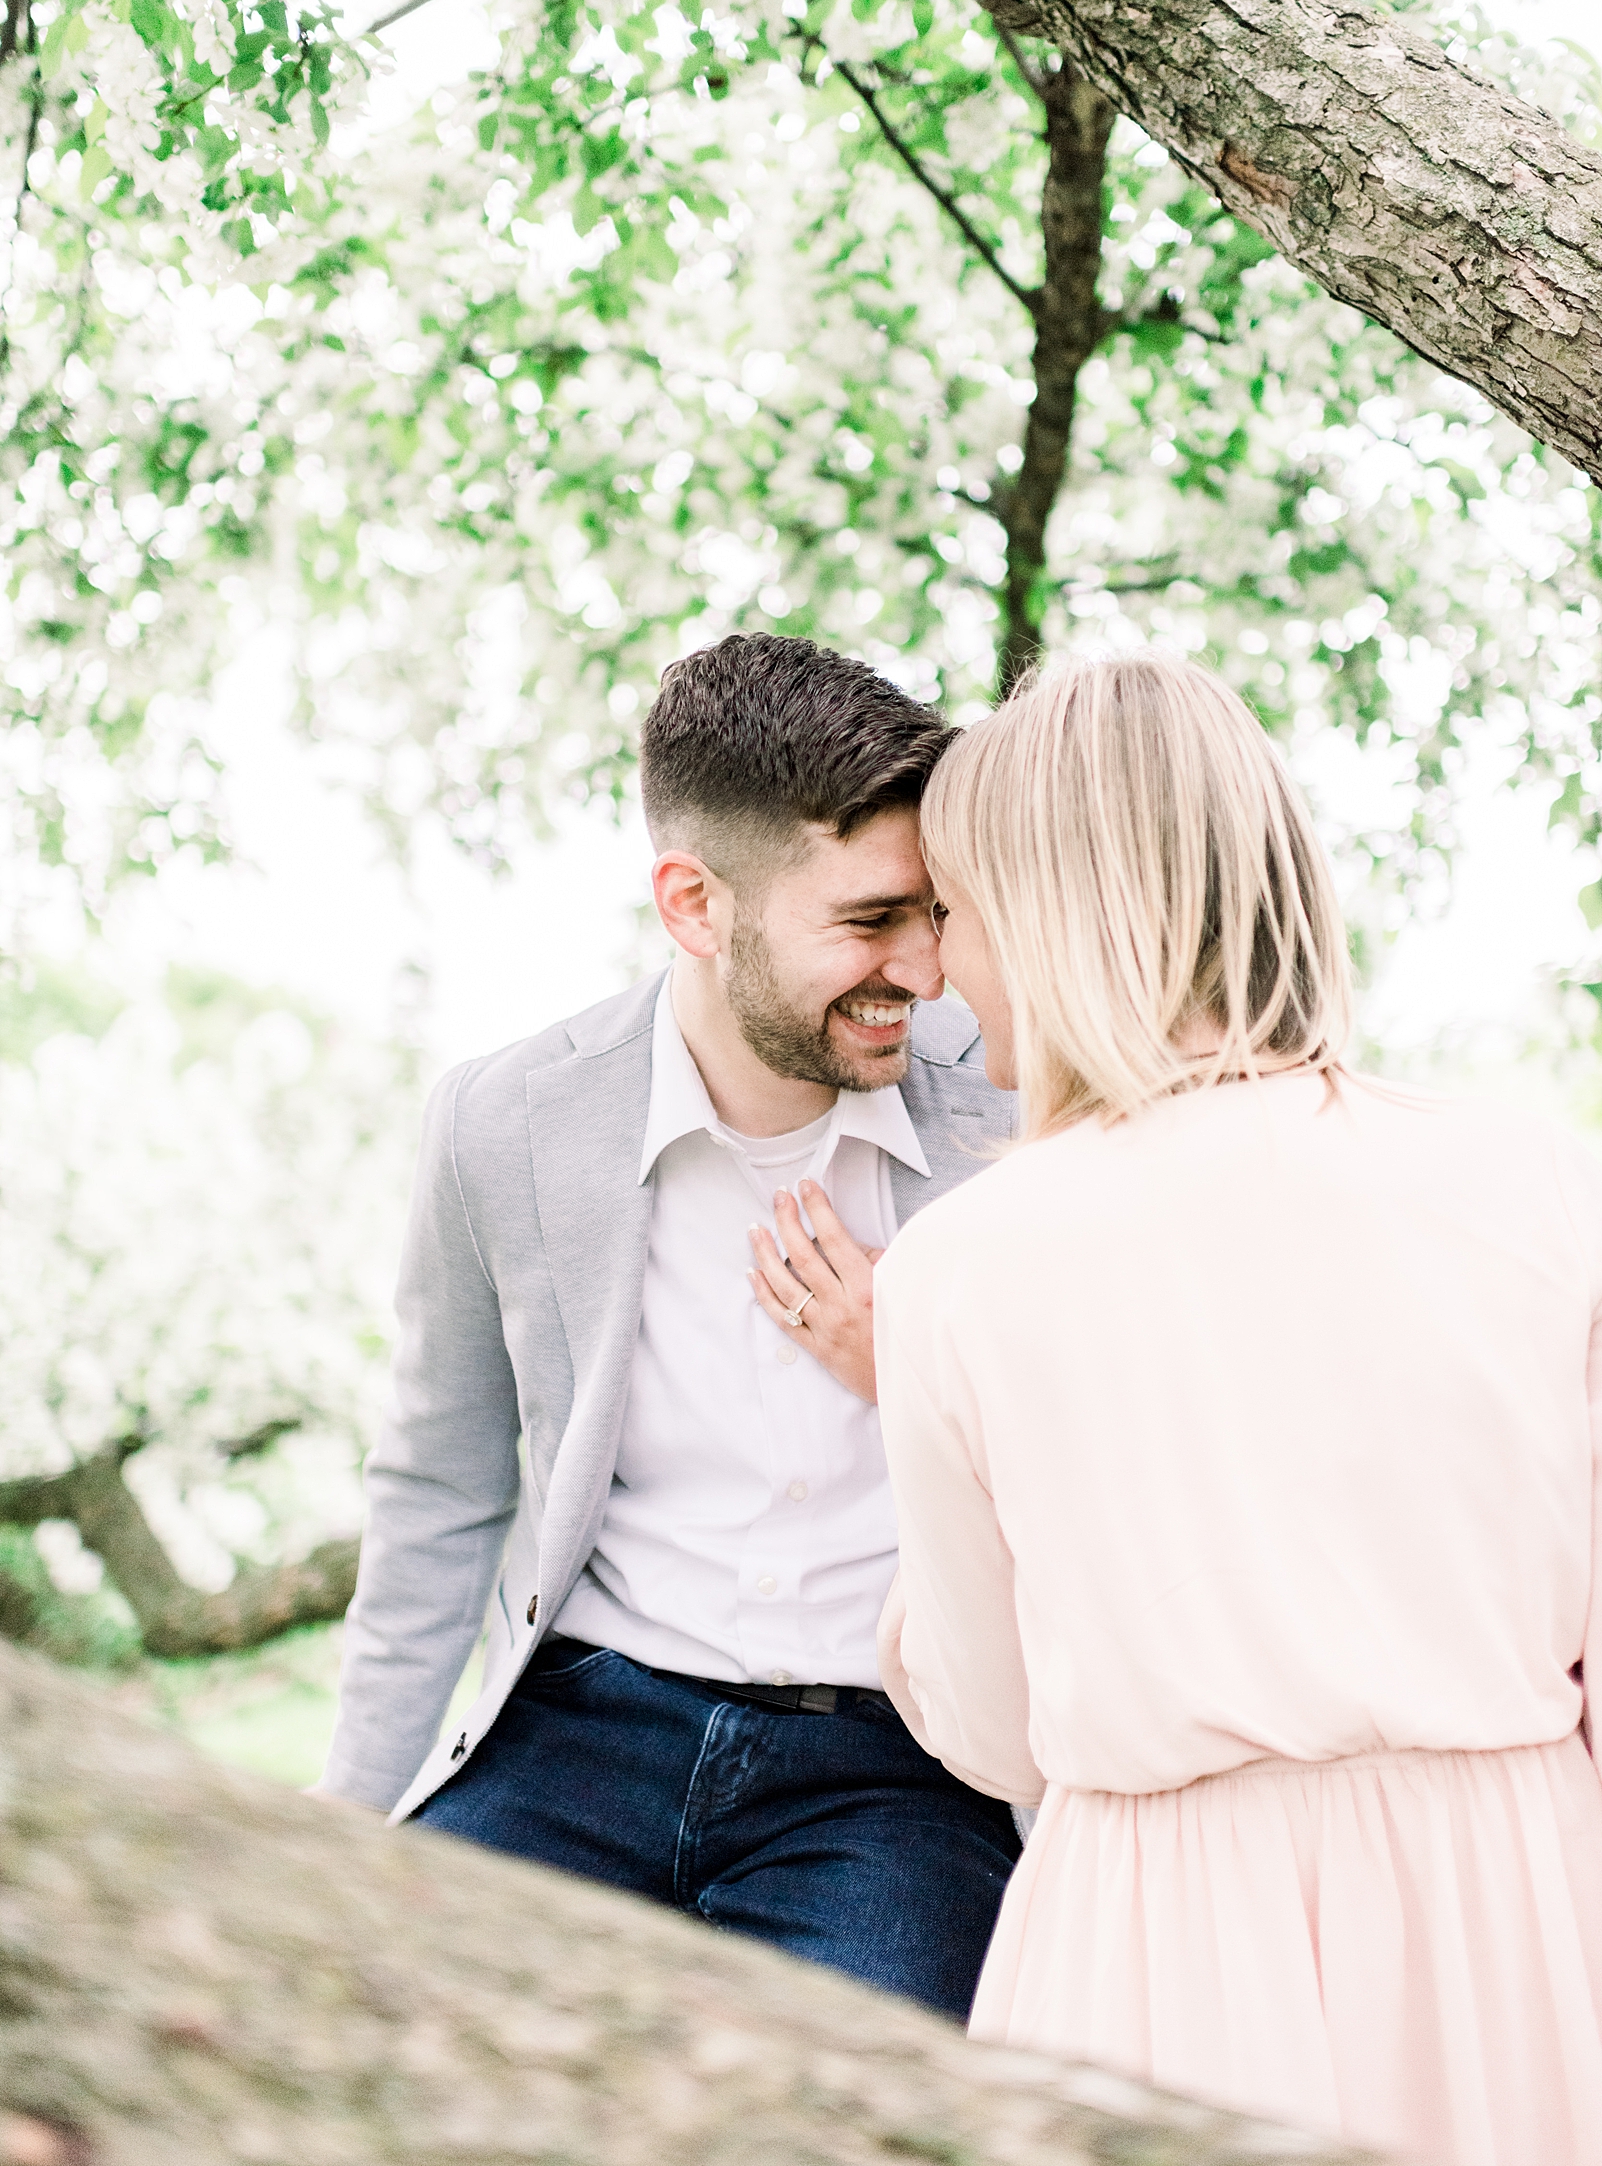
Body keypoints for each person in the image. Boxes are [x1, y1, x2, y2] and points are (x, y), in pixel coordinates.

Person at [872, 653, 1602, 2164]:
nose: (937, 968)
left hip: (1162, 1947)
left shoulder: (961, 1264)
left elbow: (997, 1730)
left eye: (952, 908)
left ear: (1059, 909)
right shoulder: (1545, 1183)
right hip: (1520, 1923)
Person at [317, 631, 1020, 2015]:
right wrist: (340, 1822)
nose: (929, 969)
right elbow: (439, 1494)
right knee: (381, 2045)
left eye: (935, 913)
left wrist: (920, 1368)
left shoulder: (1010, 1106)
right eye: (873, 921)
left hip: (893, 1772)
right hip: (577, 1729)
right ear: (694, 905)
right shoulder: (506, 1123)